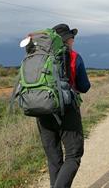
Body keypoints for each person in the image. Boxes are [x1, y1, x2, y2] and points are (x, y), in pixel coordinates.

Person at [36, 23, 91, 188]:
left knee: (54, 160)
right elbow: (84, 86)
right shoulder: (74, 57)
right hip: (67, 111)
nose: (73, 40)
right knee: (73, 155)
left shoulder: (39, 58)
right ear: (68, 40)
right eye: (72, 37)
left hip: (42, 110)